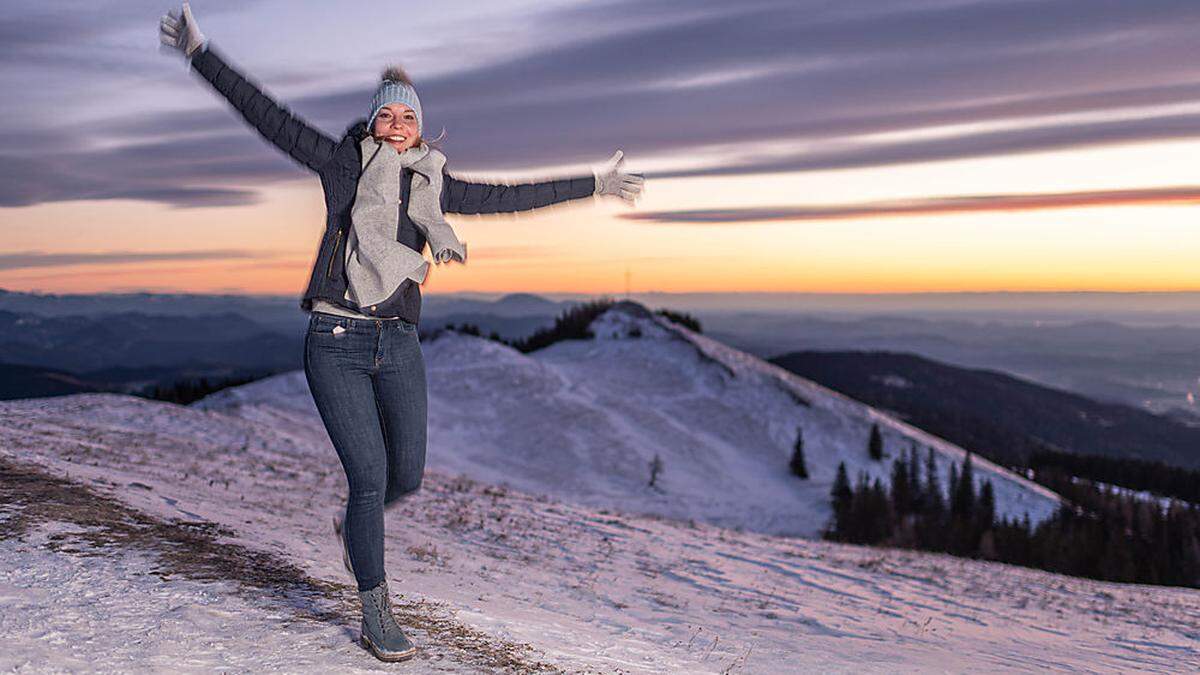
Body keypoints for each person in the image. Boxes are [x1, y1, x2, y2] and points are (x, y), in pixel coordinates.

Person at [158, 2, 644, 663]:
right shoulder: (341, 164)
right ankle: (375, 609)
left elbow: (510, 196)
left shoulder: (432, 185)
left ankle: (356, 531)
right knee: (368, 475)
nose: (395, 124)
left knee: (406, 475)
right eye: (385, 113)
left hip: (400, 344)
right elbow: (267, 116)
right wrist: (199, 52)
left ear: (420, 127)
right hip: (336, 338)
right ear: (373, 118)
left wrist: (595, 182)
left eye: (406, 115)